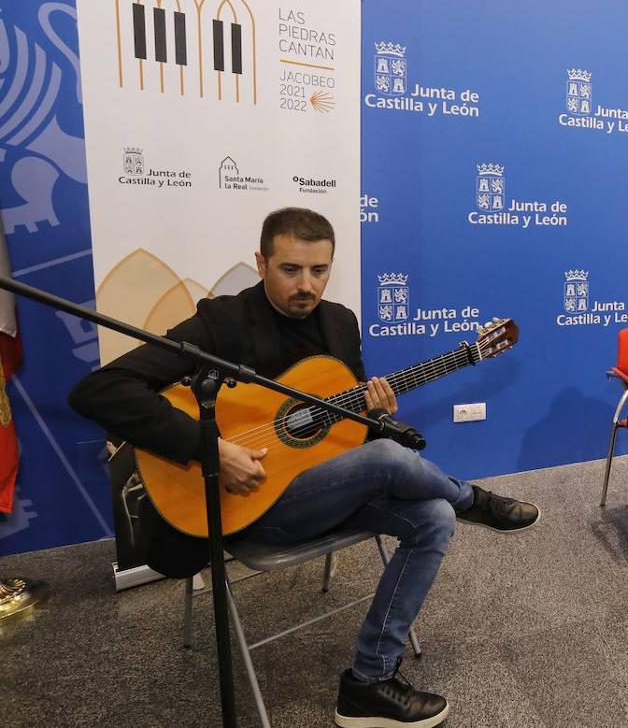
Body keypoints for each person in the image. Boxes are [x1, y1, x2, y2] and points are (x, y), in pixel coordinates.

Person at [69, 207, 539, 728]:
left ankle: (368, 682)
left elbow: (344, 428)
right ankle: (471, 497)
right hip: (252, 505)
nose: (306, 285)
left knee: (433, 516)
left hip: (328, 491)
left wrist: (376, 414)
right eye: (291, 269)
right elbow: (99, 390)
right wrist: (212, 448)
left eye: (319, 271)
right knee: (392, 462)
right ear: (261, 262)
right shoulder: (221, 321)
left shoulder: (340, 323)